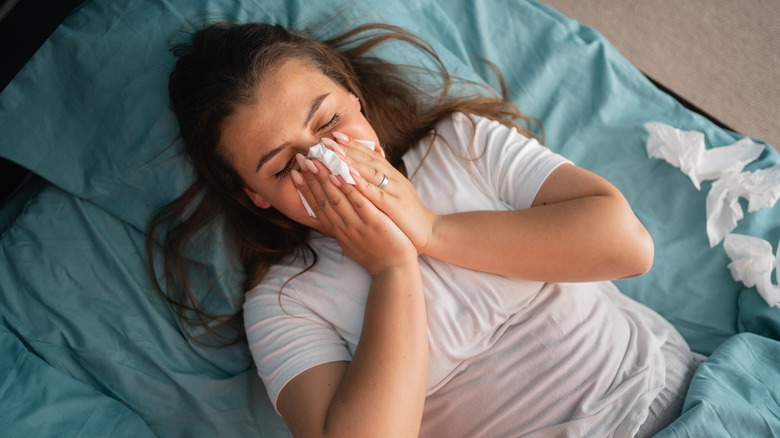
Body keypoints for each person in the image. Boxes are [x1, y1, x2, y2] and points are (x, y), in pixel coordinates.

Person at [147, 21, 705, 437]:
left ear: (354, 96)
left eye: (328, 121)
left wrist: (431, 229)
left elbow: (628, 247)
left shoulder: (462, 147)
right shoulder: (285, 301)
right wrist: (392, 269)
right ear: (255, 195)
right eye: (285, 165)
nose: (325, 161)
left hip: (673, 398)